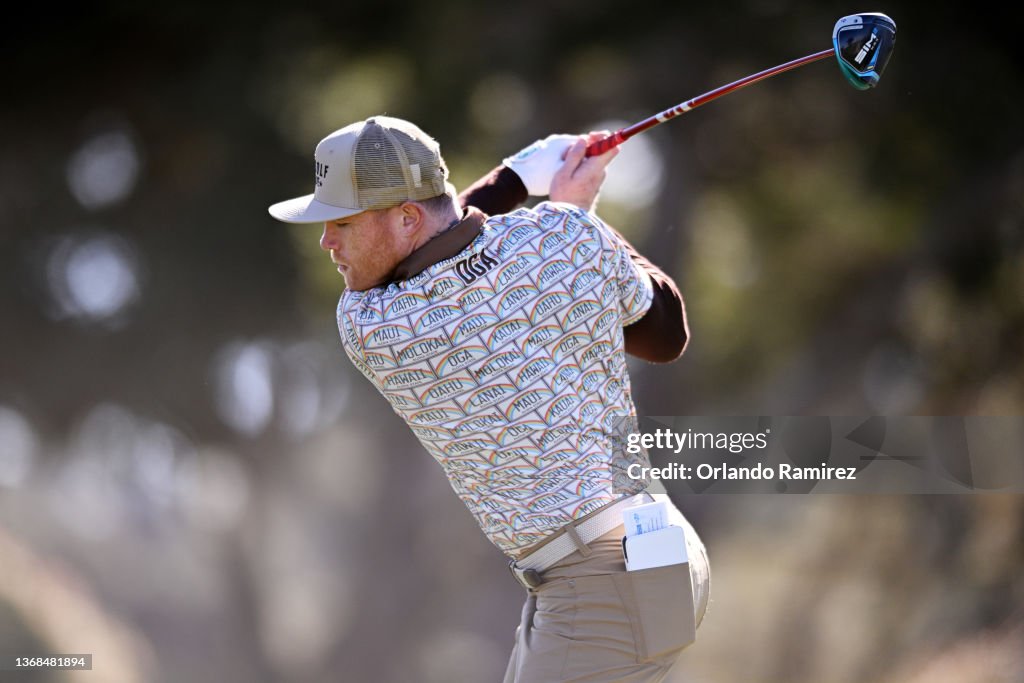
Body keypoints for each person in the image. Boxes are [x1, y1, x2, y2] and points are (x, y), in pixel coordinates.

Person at [268, 115, 709, 682]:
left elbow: (453, 258)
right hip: (654, 553)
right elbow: (665, 336)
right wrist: (577, 219)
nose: (327, 242)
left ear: (405, 216)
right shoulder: (563, 238)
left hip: (598, 583)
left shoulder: (370, 322)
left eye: (343, 223)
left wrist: (517, 176)